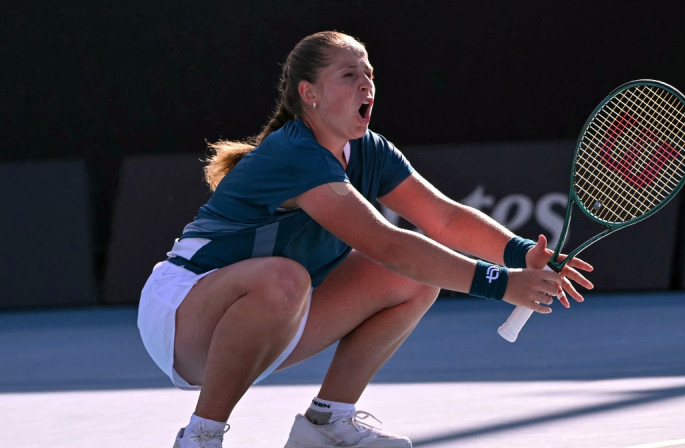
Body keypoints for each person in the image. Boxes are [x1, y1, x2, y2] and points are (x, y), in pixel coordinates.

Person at [137, 30, 594, 448]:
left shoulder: (370, 149)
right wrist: (502, 284)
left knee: (414, 279)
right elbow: (386, 242)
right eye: (350, 74)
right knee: (289, 276)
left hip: (275, 316)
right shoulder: (295, 152)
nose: (366, 85)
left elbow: (444, 218)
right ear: (309, 94)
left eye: (370, 74)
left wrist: (522, 254)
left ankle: (327, 424)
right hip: (182, 319)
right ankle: (200, 437)